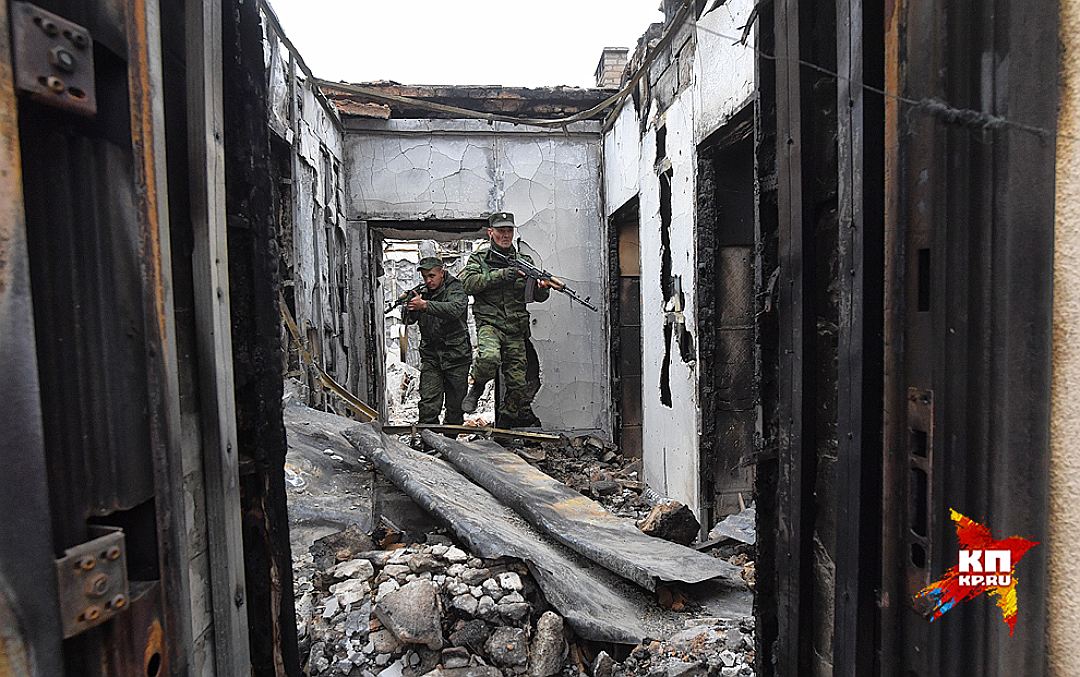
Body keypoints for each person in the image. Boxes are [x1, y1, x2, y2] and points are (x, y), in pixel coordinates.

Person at [459, 212, 549, 427]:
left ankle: (505, 424)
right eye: (501, 231)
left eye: (509, 230)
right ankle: (477, 387)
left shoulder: (525, 262)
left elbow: (537, 297)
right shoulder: (479, 259)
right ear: (490, 233)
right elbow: (467, 284)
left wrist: (542, 288)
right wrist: (502, 275)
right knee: (489, 358)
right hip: (490, 324)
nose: (506, 235)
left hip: (516, 329)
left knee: (518, 385)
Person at [403, 257, 472, 425]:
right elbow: (409, 320)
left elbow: (454, 309)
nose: (428, 280)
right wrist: (409, 306)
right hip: (431, 356)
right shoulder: (422, 291)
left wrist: (424, 305)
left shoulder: (456, 288)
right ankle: (428, 438)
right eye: (425, 277)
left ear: (442, 272)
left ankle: (450, 440)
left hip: (456, 356)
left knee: (455, 406)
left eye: (432, 276)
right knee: (428, 404)